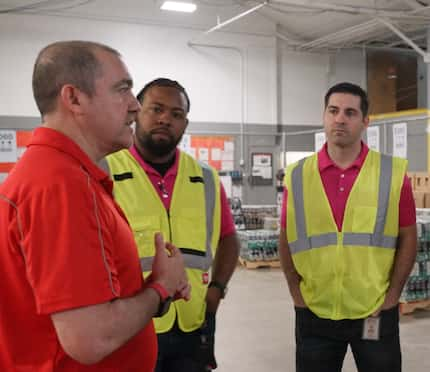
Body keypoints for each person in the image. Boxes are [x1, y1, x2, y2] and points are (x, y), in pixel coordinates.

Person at [0, 41, 190, 371]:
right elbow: (91, 338)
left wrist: (153, 284)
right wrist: (161, 288)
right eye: (122, 89)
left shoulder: (61, 175)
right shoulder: (61, 187)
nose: (134, 106)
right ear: (73, 98)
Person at [104, 78, 240, 372]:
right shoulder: (106, 171)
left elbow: (228, 238)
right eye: (156, 109)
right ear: (137, 112)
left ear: (185, 124)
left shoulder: (205, 178)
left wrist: (216, 289)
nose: (166, 119)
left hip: (192, 321)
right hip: (133, 324)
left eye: (176, 114)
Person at [279, 82, 417, 372]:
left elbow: (408, 237)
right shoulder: (298, 175)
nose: (340, 118)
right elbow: (286, 236)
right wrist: (296, 292)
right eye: (333, 111)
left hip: (374, 311)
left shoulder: (392, 173)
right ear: (324, 116)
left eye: (350, 112)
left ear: (365, 122)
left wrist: (392, 298)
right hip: (315, 310)